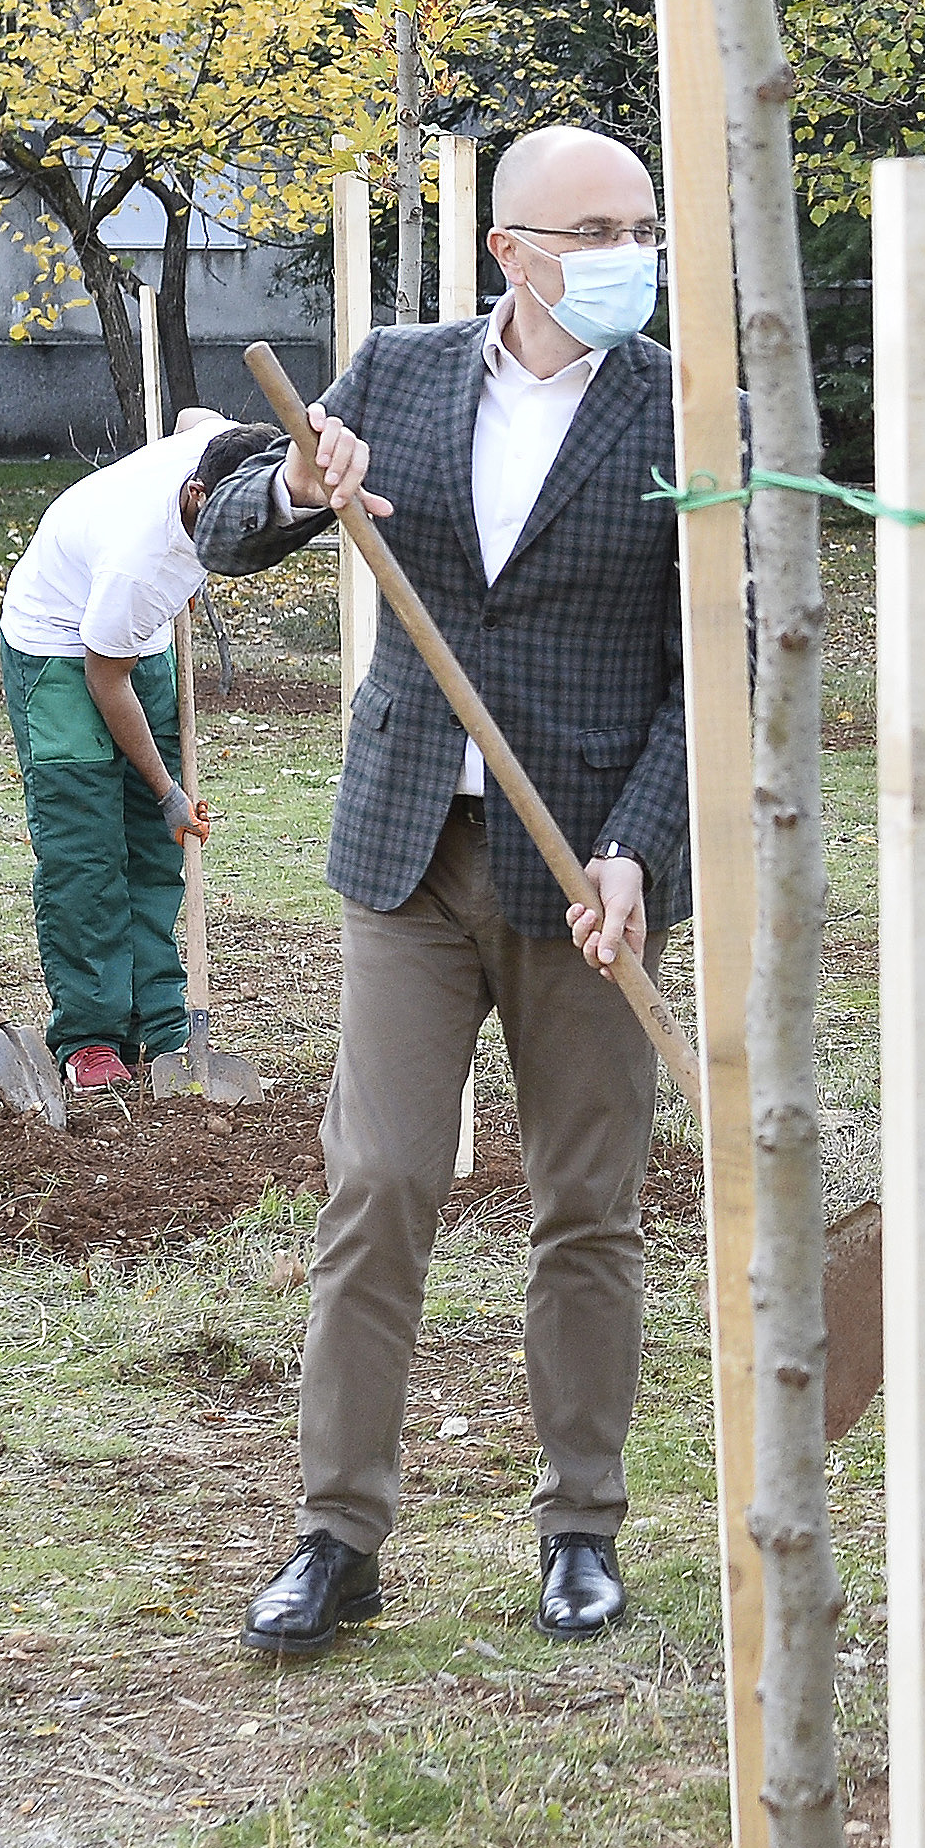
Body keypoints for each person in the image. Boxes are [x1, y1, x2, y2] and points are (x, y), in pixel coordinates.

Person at [192, 126, 687, 1657]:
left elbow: (713, 665)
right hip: (411, 848)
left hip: (584, 865)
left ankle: (580, 1529)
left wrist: (641, 850)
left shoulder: (685, 408)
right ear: (509, 253)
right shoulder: (397, 375)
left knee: (585, 1205)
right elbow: (223, 533)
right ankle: (337, 1534)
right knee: (382, 1180)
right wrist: (291, 475)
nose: (624, 252)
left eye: (642, 224)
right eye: (591, 228)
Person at [0, 412, 281, 1095]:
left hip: (134, 643)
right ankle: (93, 1034)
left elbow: (193, 417)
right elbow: (104, 678)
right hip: (64, 651)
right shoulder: (139, 562)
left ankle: (161, 1023)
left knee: (160, 850)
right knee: (87, 849)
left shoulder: (224, 448)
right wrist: (166, 789)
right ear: (194, 497)